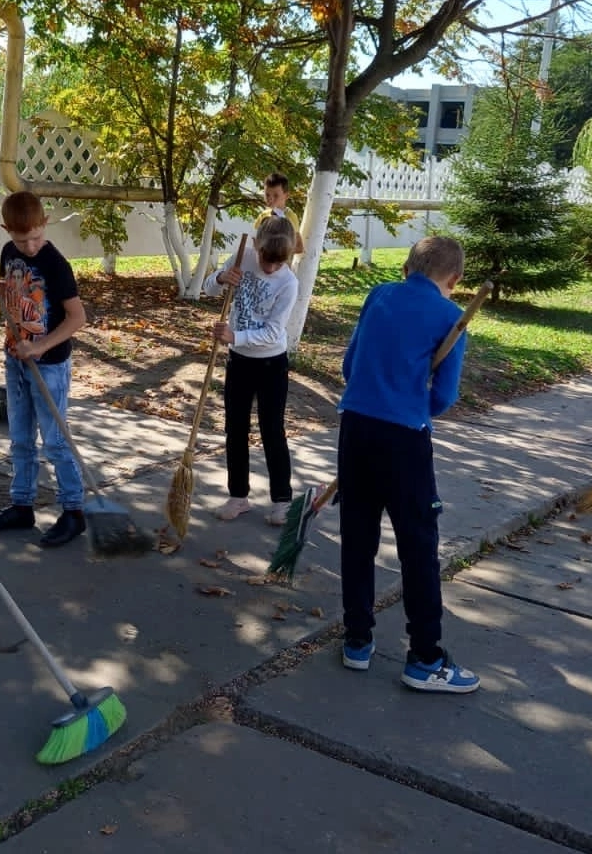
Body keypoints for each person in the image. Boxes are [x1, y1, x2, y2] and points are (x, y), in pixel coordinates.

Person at [336, 235, 479, 693]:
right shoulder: (451, 318)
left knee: (358, 535)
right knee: (418, 544)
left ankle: (357, 639)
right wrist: (413, 396)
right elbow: (443, 397)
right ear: (454, 280)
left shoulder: (378, 295)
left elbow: (349, 364)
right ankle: (425, 657)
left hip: (355, 428)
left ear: (407, 267)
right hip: (403, 440)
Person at [0, 190, 88, 548]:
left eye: (36, 236)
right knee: (20, 438)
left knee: (54, 440)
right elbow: (12, 293)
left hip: (49, 364)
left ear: (45, 224)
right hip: (16, 360)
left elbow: (77, 318)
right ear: (7, 230)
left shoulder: (56, 264)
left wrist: (38, 346)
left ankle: (73, 511)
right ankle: (22, 504)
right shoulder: (11, 253)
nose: (31, 246)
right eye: (22, 239)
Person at [205, 217, 302, 525]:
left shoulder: (289, 283)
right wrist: (222, 277)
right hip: (239, 361)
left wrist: (236, 336)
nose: (270, 268)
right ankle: (238, 496)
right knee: (235, 428)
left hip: (271, 362)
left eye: (278, 262)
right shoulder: (244, 254)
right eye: (265, 260)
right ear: (257, 246)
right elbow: (208, 287)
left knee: (272, 430)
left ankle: (281, 500)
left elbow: (274, 332)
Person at [261, 171, 304, 258]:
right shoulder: (263, 215)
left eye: (276, 196)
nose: (270, 199)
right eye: (267, 195)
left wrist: (276, 252)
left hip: (280, 268)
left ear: (286, 195)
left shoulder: (290, 217)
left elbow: (299, 247)